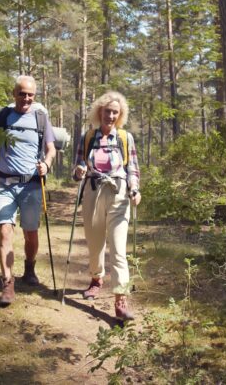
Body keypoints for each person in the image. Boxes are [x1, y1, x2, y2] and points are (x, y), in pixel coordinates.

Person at [73, 91, 141, 321]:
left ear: (119, 115)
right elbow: (78, 166)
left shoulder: (125, 137)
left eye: (115, 112)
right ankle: (96, 278)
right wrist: (79, 170)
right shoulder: (88, 137)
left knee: (118, 249)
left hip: (119, 194)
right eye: (107, 111)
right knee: (95, 243)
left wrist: (135, 188)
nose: (110, 116)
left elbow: (132, 167)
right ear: (99, 112)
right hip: (92, 191)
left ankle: (120, 299)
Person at [0, 75, 56, 306]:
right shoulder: (3, 116)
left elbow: (50, 149)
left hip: (32, 184)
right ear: (14, 93)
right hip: (5, 182)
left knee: (31, 233)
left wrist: (46, 164)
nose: (26, 98)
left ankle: (29, 268)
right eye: (22, 93)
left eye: (30, 95)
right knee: (5, 231)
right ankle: (7, 283)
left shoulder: (40, 117)